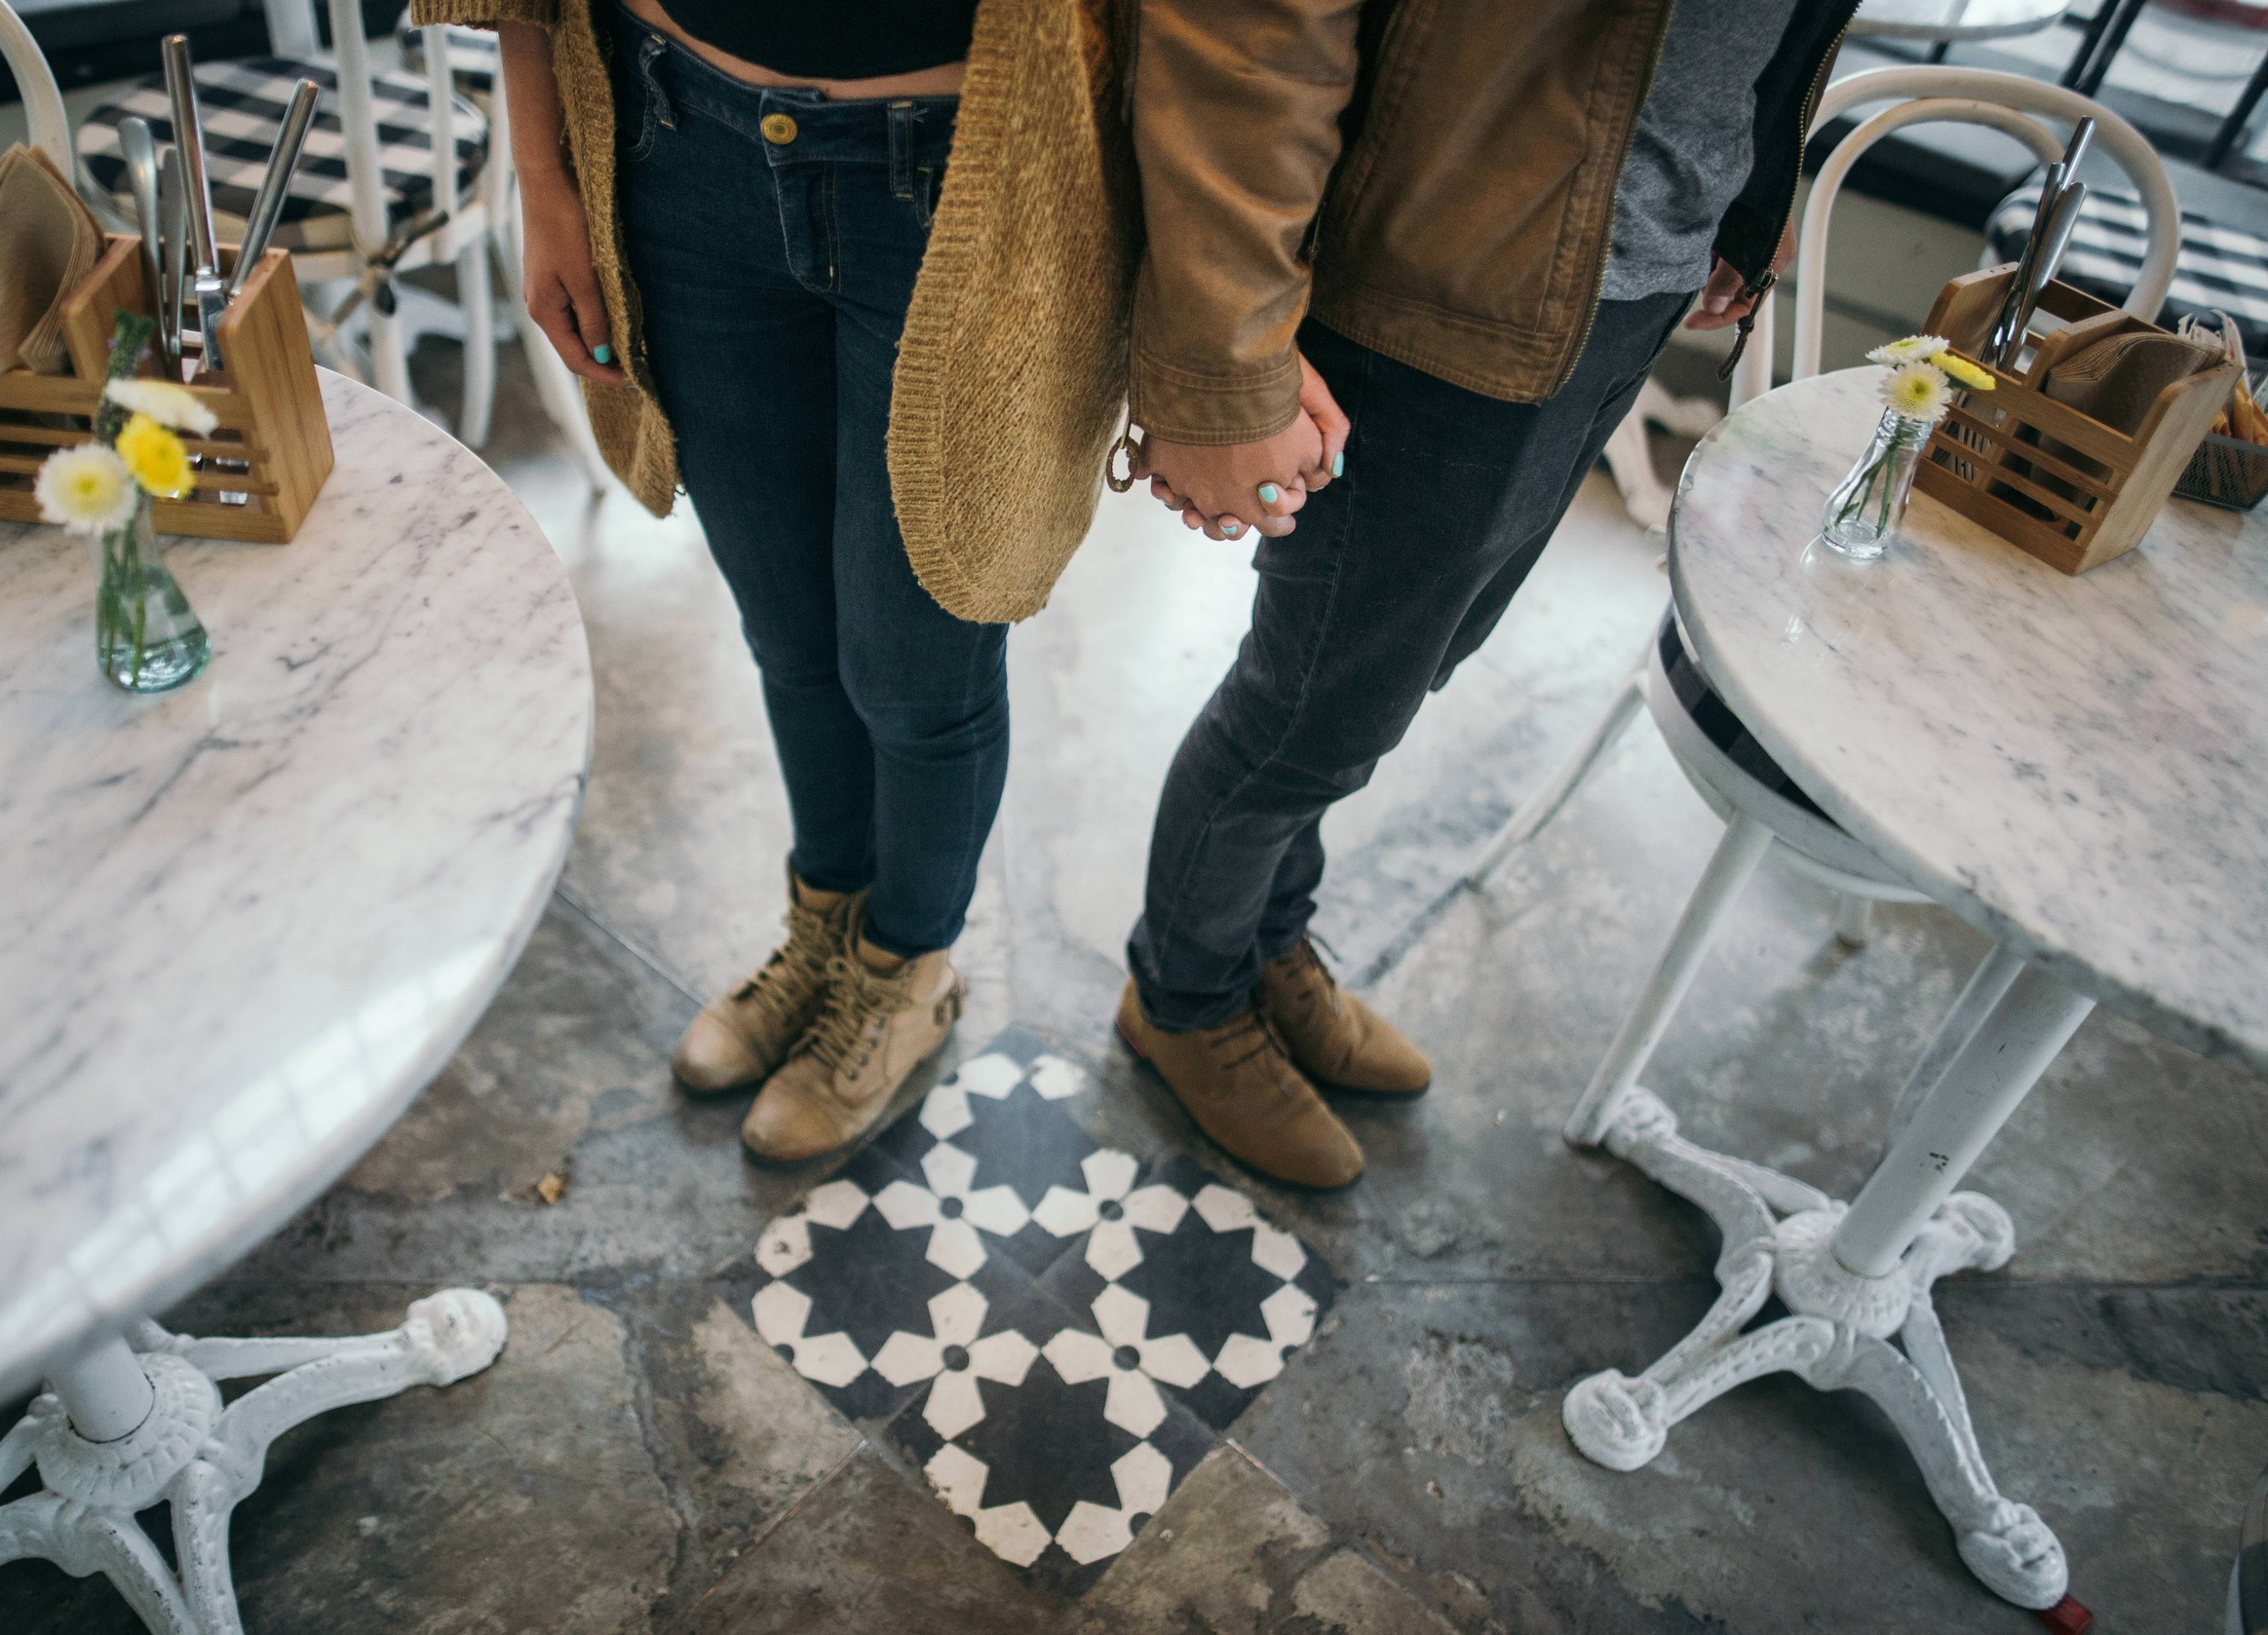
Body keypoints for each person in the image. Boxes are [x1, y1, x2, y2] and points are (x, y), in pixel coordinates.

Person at [1114, 0, 1861, 1188]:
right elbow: (1256, 30)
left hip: (1628, 277)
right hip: (1443, 274)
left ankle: (1259, 939)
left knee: (1388, 675)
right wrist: (1228, 341)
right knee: (1308, 708)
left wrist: (1746, 185)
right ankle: (1184, 996)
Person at [423, 0, 1137, 1160]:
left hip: (976, 171)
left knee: (916, 663)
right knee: (789, 631)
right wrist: (541, 175)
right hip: (678, 137)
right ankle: (827, 929)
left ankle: (904, 972)